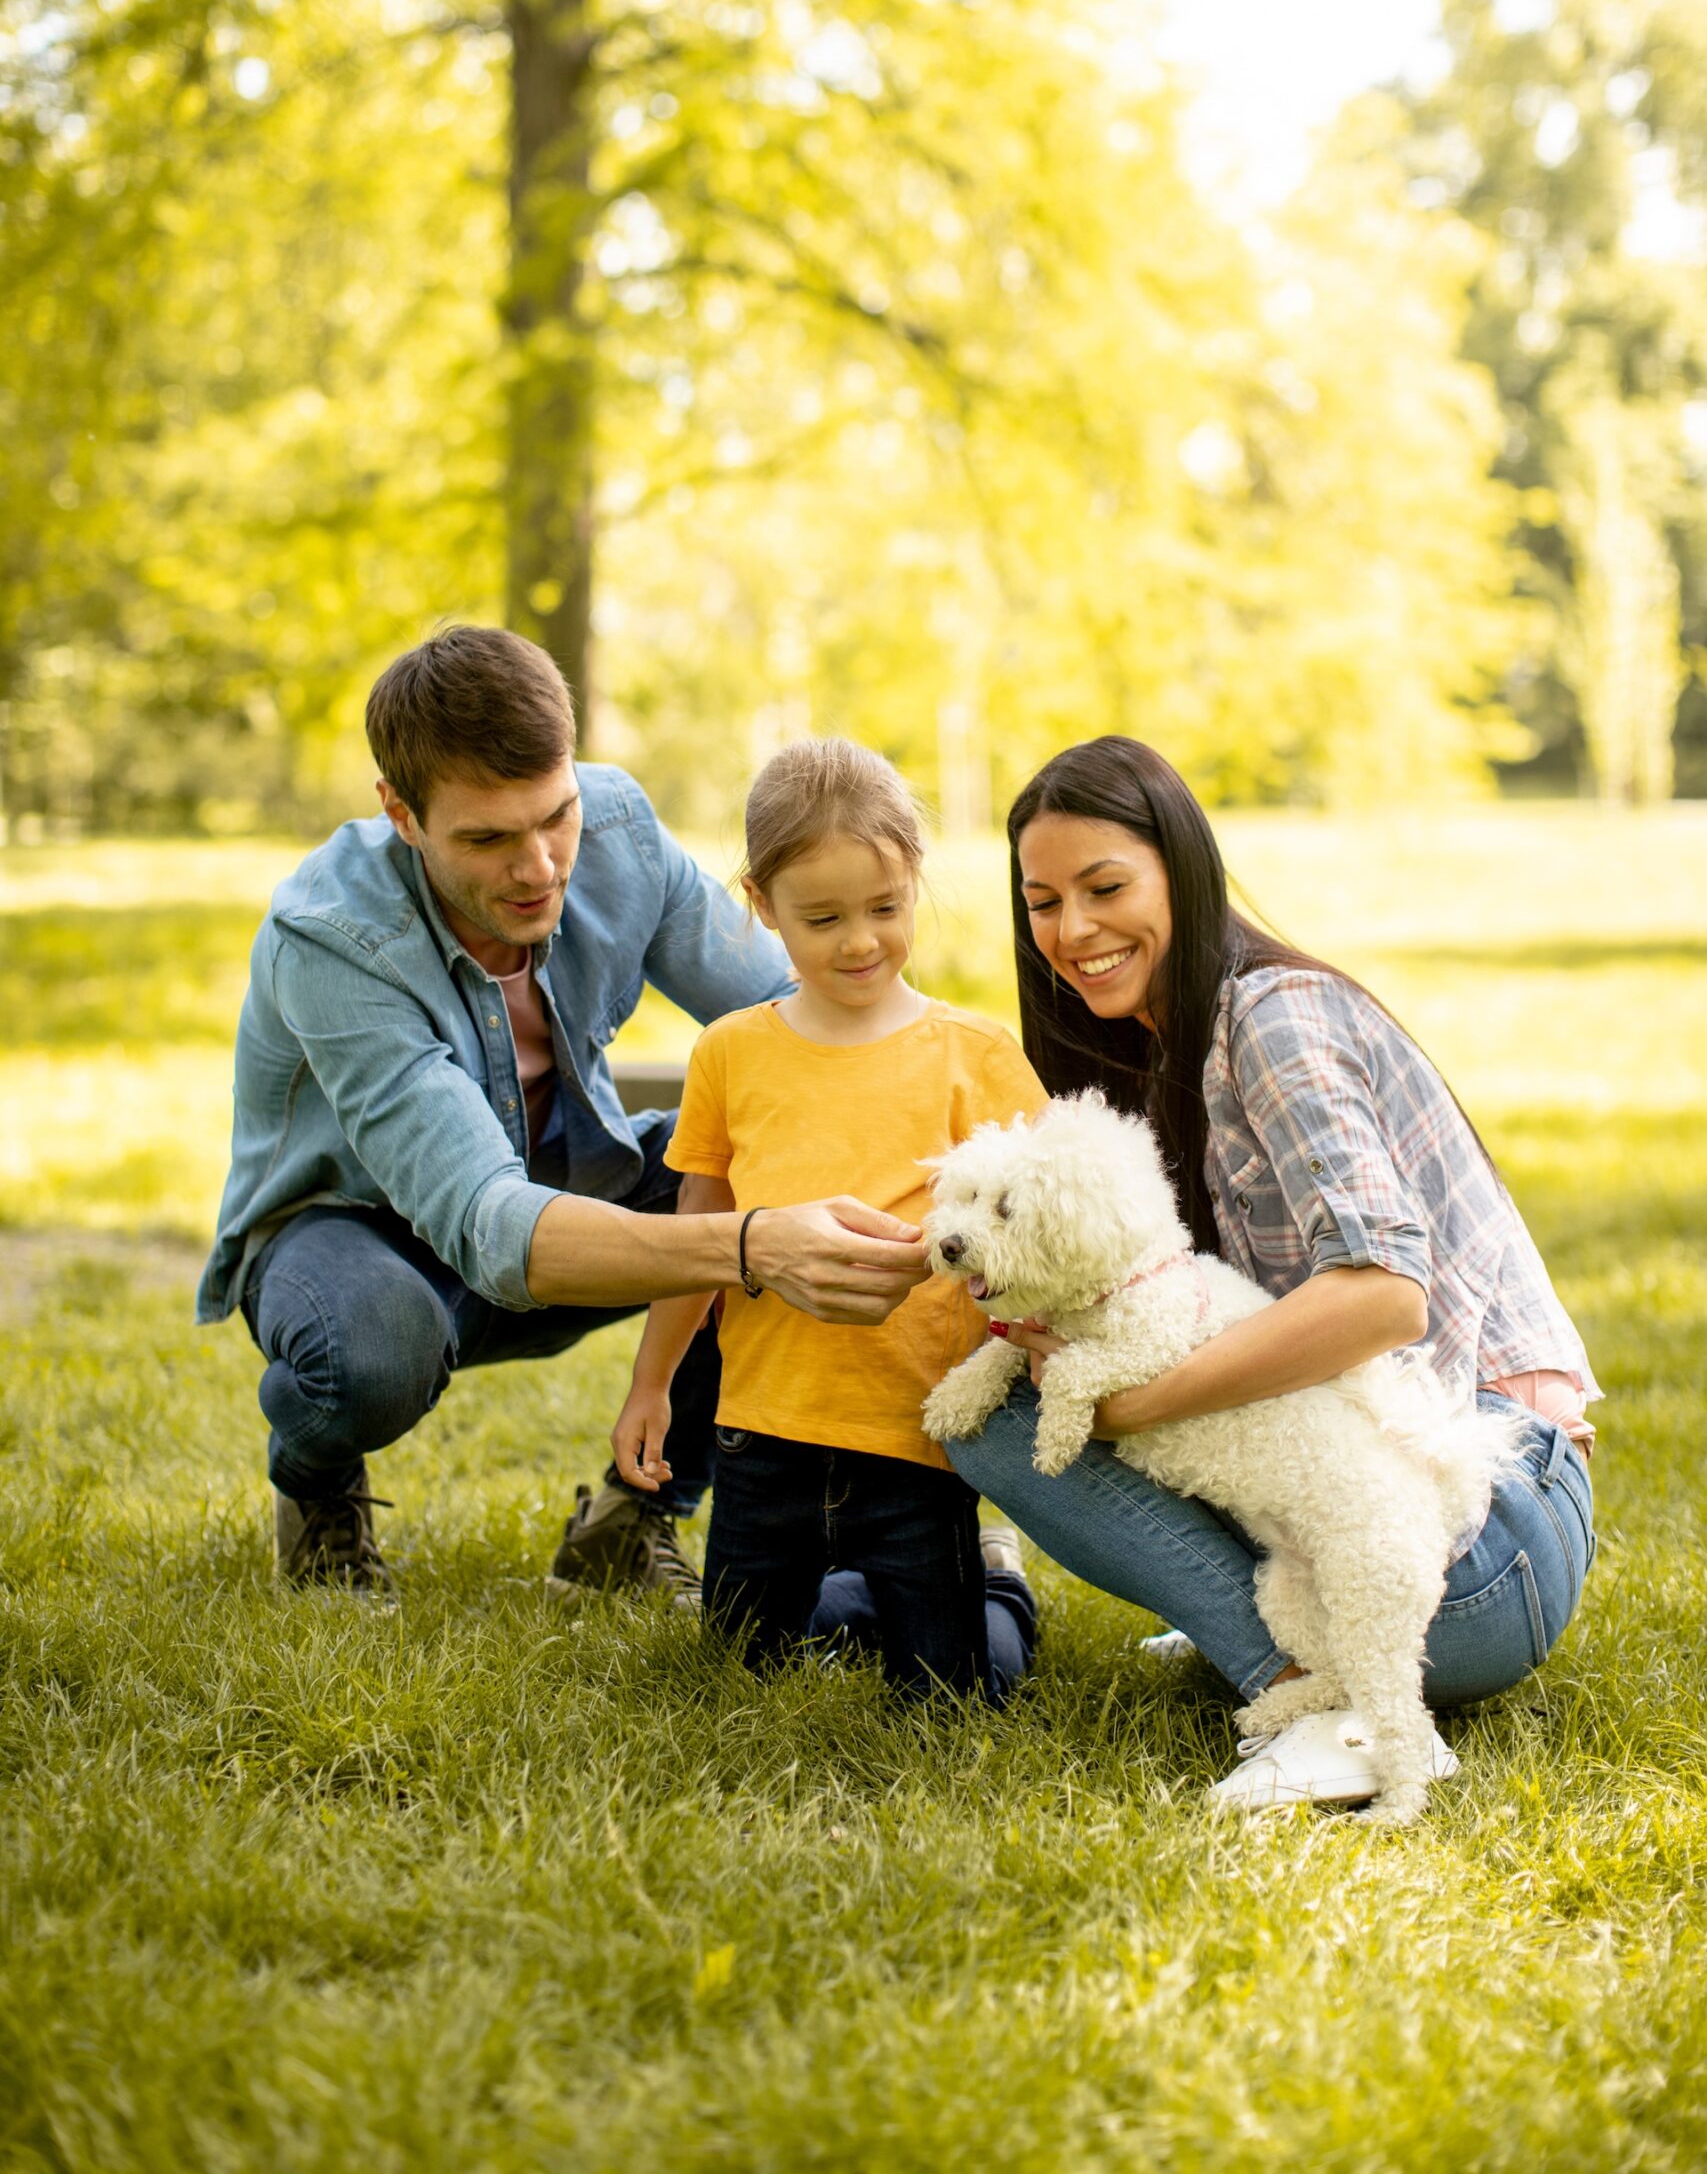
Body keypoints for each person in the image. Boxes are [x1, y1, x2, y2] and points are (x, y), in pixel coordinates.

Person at [197, 629, 931, 1597]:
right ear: (401, 813)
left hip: (561, 1178)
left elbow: (798, 1023)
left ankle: (634, 1519)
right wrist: (752, 1245)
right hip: (356, 1241)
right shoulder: (333, 940)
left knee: (771, 1158)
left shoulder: (619, 831)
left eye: (555, 816)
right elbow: (495, 1226)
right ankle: (316, 1481)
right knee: (372, 1346)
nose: (540, 866)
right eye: (488, 839)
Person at [941, 736, 1599, 1806]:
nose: (1072, 930)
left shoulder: (1274, 1020)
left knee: (1012, 1423)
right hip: (1365, 1493)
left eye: (1106, 887)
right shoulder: (1157, 1049)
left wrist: (1127, 1401)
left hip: (1479, 1543)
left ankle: (1315, 1690)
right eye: (1044, 900)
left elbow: (1385, 1295)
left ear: (1182, 870)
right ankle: (1259, 1619)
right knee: (991, 1383)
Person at [609, 738, 1046, 1700]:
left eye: (886, 909)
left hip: (917, 1440)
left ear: (915, 884)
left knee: (958, 1693)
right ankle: (851, 1592)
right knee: (736, 1671)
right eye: (822, 917)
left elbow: (1041, 1233)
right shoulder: (729, 1054)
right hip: (761, 1435)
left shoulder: (972, 1053)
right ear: (759, 905)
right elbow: (701, 1235)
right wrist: (653, 1385)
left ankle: (997, 1589)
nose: (860, 941)